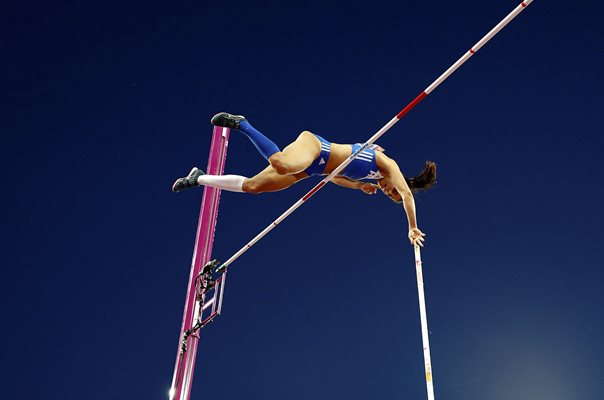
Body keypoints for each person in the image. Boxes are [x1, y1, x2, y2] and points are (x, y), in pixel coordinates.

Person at [173, 112, 436, 246]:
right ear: (398, 182)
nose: (388, 192)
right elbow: (408, 195)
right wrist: (412, 227)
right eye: (393, 192)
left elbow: (332, 178)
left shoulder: (368, 180)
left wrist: (358, 186)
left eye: (389, 195)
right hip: (316, 147)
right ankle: (242, 124)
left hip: (313, 170)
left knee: (253, 187)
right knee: (281, 163)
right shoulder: (386, 163)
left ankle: (199, 178)